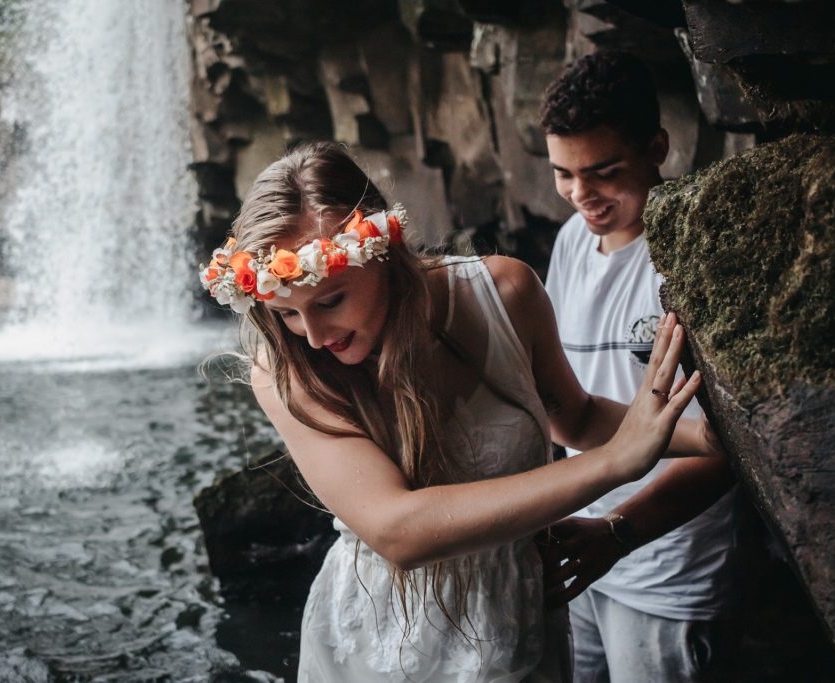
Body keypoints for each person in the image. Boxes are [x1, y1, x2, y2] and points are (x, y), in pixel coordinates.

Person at [199, 141, 719, 682]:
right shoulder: (285, 369)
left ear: (384, 254)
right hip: (382, 645)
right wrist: (614, 464)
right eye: (287, 313)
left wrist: (705, 437)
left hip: (520, 612)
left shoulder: (504, 293)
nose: (312, 336)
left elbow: (577, 419)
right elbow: (399, 530)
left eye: (330, 301)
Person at [539, 51, 738, 683]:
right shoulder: (571, 240)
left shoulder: (688, 258)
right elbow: (563, 400)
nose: (580, 195)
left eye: (603, 172)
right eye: (563, 174)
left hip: (665, 571)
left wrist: (617, 534)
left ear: (657, 148)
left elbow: (725, 447)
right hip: (582, 549)